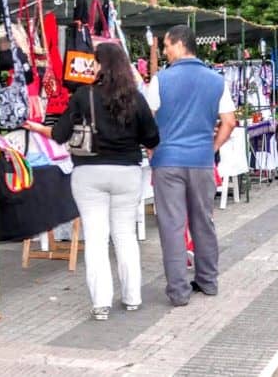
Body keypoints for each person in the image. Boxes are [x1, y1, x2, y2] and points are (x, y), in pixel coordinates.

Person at [24, 43, 160, 321]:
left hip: (88, 173)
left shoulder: (83, 95)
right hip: (127, 173)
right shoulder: (135, 97)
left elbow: (60, 134)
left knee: (96, 239)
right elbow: (152, 138)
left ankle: (101, 303)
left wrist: (39, 128)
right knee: (125, 235)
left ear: (99, 65)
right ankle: (132, 297)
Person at [145, 25, 237, 307]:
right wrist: (212, 148)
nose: (164, 52)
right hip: (201, 161)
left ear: (179, 44)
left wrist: (152, 151)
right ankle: (208, 281)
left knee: (172, 226)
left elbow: (147, 122)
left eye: (166, 46)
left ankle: (178, 291)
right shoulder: (216, 80)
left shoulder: (160, 80)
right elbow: (229, 122)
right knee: (203, 222)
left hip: (167, 162)